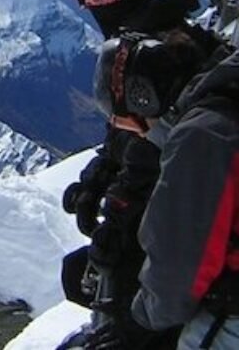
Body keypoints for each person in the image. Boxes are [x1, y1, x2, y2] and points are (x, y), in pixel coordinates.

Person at [58, 0, 219, 349]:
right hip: (165, 206)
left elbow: (154, 145)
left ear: (104, 2)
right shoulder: (162, 39)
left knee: (125, 296)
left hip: (165, 215)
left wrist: (118, 210)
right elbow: (131, 133)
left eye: (89, 3)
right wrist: (98, 174)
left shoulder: (159, 55)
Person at [87, 26, 238, 349]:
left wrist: (139, 323)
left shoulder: (202, 136)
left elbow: (180, 265)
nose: (140, 135)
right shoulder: (225, 97)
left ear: (144, 99)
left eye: (127, 123)